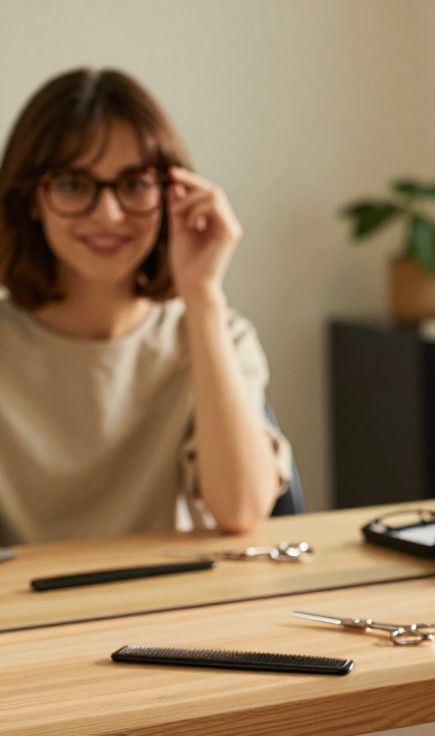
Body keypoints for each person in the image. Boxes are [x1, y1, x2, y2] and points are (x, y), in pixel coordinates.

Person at [0, 69, 292, 545]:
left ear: (171, 194)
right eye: (74, 184)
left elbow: (241, 509)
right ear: (32, 199)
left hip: (176, 609)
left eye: (134, 184)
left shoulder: (217, 332)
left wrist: (202, 295)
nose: (109, 214)